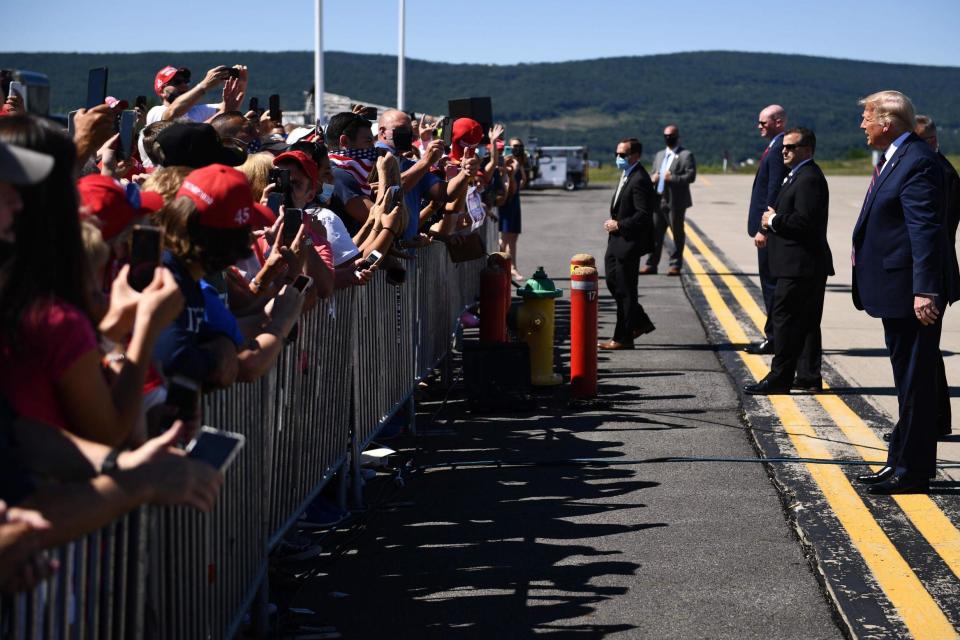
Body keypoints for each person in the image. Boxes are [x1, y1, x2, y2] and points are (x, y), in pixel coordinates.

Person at [851, 91, 960, 495]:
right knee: (908, 381)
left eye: (866, 117)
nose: (862, 124)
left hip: (911, 293)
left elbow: (925, 231)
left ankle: (911, 472)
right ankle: (902, 460)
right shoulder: (900, 156)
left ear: (886, 121)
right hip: (896, 291)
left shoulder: (916, 161)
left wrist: (925, 289)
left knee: (915, 382)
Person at [744, 127, 833, 395]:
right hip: (800, 264)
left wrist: (773, 220)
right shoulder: (796, 175)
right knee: (805, 323)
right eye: (783, 146)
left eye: (790, 147)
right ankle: (807, 376)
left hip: (800, 266)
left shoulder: (808, 178)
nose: (784, 150)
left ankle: (780, 377)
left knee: (784, 320)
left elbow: (804, 222)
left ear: (806, 150)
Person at [915, 114, 960, 440]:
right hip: (933, 273)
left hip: (934, 275)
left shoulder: (940, 173)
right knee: (926, 354)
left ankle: (932, 420)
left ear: (930, 141)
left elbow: (934, 232)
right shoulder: (934, 169)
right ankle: (936, 419)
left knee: (925, 353)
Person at [599, 138, 657, 350]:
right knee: (615, 284)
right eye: (617, 154)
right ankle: (640, 322)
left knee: (625, 291)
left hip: (628, 242)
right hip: (616, 241)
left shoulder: (640, 178)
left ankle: (623, 337)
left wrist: (619, 225)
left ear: (635, 156)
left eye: (622, 155)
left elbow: (644, 215)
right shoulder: (627, 174)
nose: (618, 158)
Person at [746, 105, 790, 354]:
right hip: (767, 227)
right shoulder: (774, 147)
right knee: (769, 285)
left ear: (779, 122)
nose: (759, 126)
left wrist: (764, 228)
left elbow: (773, 190)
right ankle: (773, 335)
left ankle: (774, 337)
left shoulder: (777, 149)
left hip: (769, 230)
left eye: (764, 122)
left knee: (771, 285)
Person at [643, 124, 696, 276]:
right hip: (658, 200)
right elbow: (653, 172)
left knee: (677, 234)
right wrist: (653, 178)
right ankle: (651, 264)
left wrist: (672, 178)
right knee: (655, 233)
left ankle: (675, 264)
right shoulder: (660, 155)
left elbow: (691, 176)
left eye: (671, 135)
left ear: (677, 136)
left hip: (676, 202)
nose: (668, 138)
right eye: (665, 135)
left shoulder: (686, 155)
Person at [146, 65, 246, 125]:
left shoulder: (196, 110)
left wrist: (240, 84)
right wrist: (204, 85)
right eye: (177, 82)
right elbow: (171, 114)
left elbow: (229, 106)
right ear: (162, 91)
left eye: (186, 81)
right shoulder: (155, 111)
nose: (184, 85)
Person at [499, 137, 527, 280]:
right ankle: (503, 265)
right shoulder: (505, 162)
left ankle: (513, 266)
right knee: (505, 237)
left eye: (519, 146)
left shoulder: (519, 162)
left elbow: (523, 182)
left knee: (513, 236)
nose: (517, 149)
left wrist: (520, 167)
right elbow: (507, 185)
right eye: (514, 147)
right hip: (507, 201)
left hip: (515, 200)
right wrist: (513, 169)